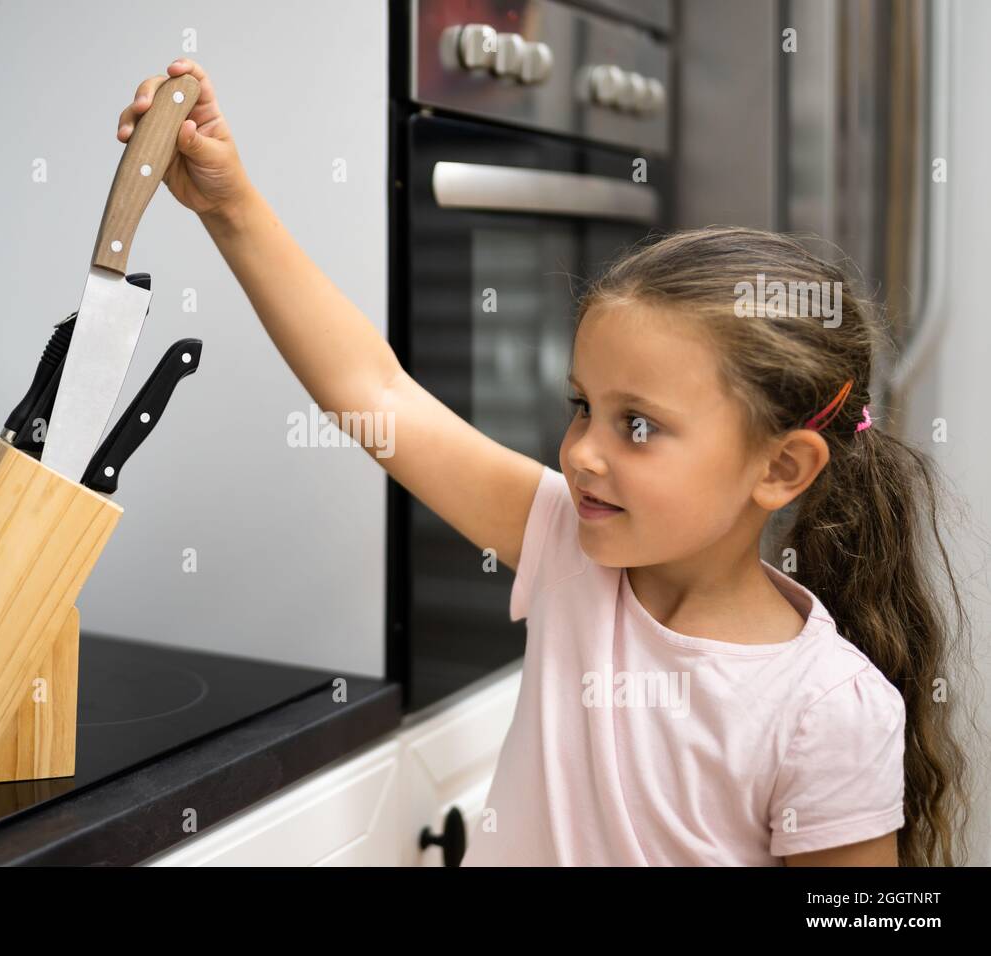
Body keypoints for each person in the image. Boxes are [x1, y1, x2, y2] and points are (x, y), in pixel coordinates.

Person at [120, 58, 975, 866]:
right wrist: (228, 207)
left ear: (782, 470)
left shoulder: (828, 710)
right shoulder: (572, 546)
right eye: (582, 407)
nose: (582, 454)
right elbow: (373, 391)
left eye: (636, 425)